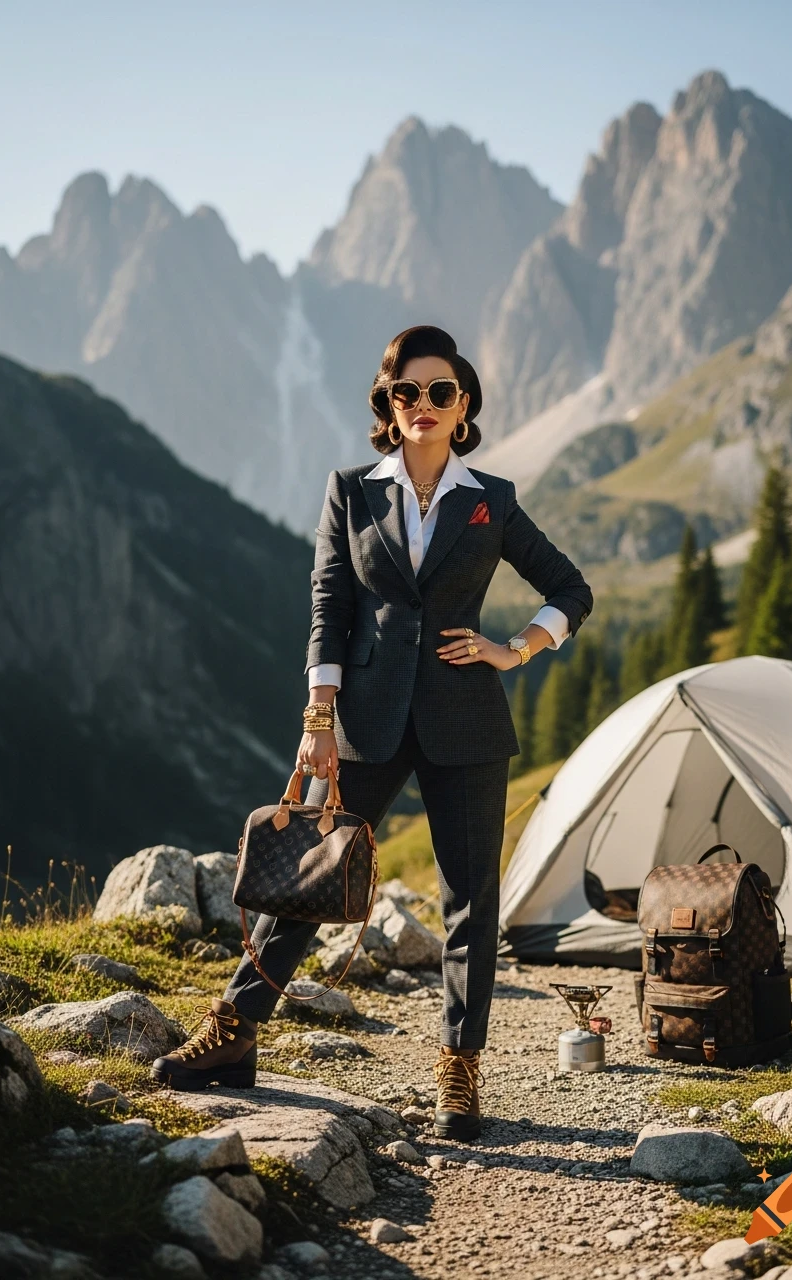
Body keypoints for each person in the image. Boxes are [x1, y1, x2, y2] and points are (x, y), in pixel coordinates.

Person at [152, 324, 593, 1140]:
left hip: (466, 723)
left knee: (470, 901)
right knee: (305, 885)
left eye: (439, 392)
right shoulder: (351, 490)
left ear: (463, 407)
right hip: (363, 722)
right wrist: (318, 719)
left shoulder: (493, 498)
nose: (421, 405)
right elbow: (330, 605)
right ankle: (235, 1032)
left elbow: (570, 588)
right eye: (405, 392)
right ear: (388, 406)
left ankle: (459, 1071)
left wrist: (515, 649)